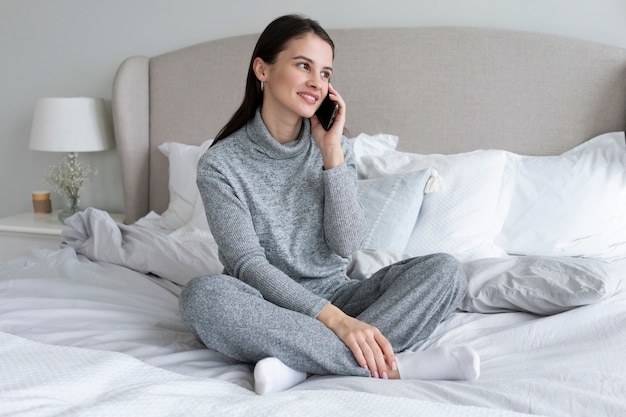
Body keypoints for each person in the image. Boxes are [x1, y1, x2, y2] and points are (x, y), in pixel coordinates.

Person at [179, 14, 480, 395]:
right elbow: (246, 265)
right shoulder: (221, 164)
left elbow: (346, 245)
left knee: (447, 271)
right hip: (265, 304)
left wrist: (332, 154)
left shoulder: (336, 149)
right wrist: (334, 321)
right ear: (262, 69)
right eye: (303, 65)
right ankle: (395, 365)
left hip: (341, 295)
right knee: (203, 297)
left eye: (325, 73)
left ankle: (299, 366)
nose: (316, 83)